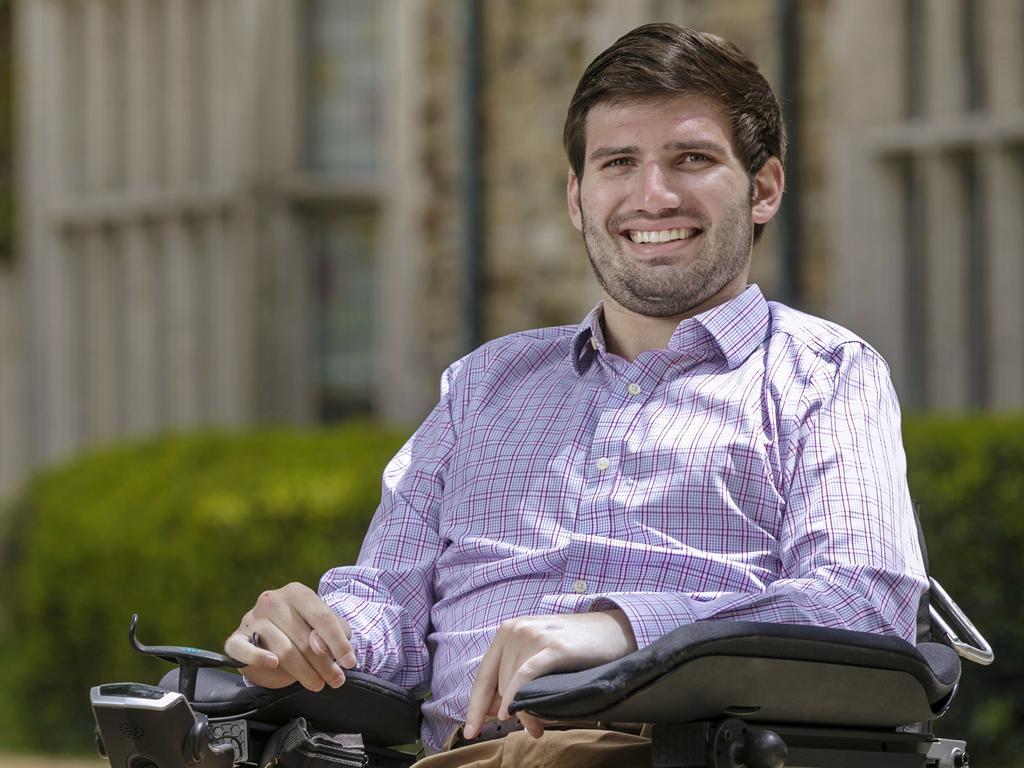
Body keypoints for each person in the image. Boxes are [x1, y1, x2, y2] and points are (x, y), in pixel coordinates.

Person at [225, 22, 927, 766]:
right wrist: (318, 633)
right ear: (576, 197)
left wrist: (623, 630)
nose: (652, 195)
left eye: (690, 159)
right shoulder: (484, 384)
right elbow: (388, 609)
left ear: (764, 189)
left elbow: (864, 606)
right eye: (618, 162)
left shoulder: (823, 374)